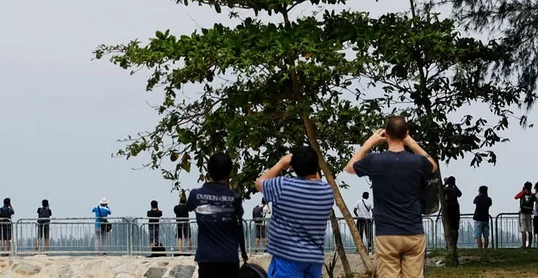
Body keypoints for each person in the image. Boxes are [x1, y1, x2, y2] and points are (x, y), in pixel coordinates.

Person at [346, 117, 438, 278]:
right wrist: (411, 143)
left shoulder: (375, 160)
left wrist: (369, 143)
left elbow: (350, 167)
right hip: (413, 230)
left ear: (386, 134)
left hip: (386, 232)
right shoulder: (417, 162)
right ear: (406, 134)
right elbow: (433, 165)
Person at [255, 145, 335, 278]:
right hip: (313, 258)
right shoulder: (326, 192)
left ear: (293, 166)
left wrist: (281, 164)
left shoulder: (282, 186)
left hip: (287, 257)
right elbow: (316, 180)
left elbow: (259, 183)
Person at [187, 152, 247, 278]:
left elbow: (188, 207)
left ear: (208, 170)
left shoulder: (195, 195)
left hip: (206, 258)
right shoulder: (235, 197)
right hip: (229, 257)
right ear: (228, 173)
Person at [442, 176, 463, 254]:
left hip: (447, 208)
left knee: (448, 227)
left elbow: (440, 191)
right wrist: (455, 185)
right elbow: (460, 194)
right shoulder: (455, 189)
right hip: (455, 208)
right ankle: (454, 244)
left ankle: (448, 244)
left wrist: (444, 183)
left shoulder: (445, 189)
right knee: (455, 228)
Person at [515, 182, 535, 248]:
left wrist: (522, 191)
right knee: (530, 230)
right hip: (529, 213)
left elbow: (516, 197)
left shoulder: (523, 193)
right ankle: (529, 245)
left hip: (523, 213)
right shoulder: (532, 195)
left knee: (523, 230)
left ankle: (523, 245)